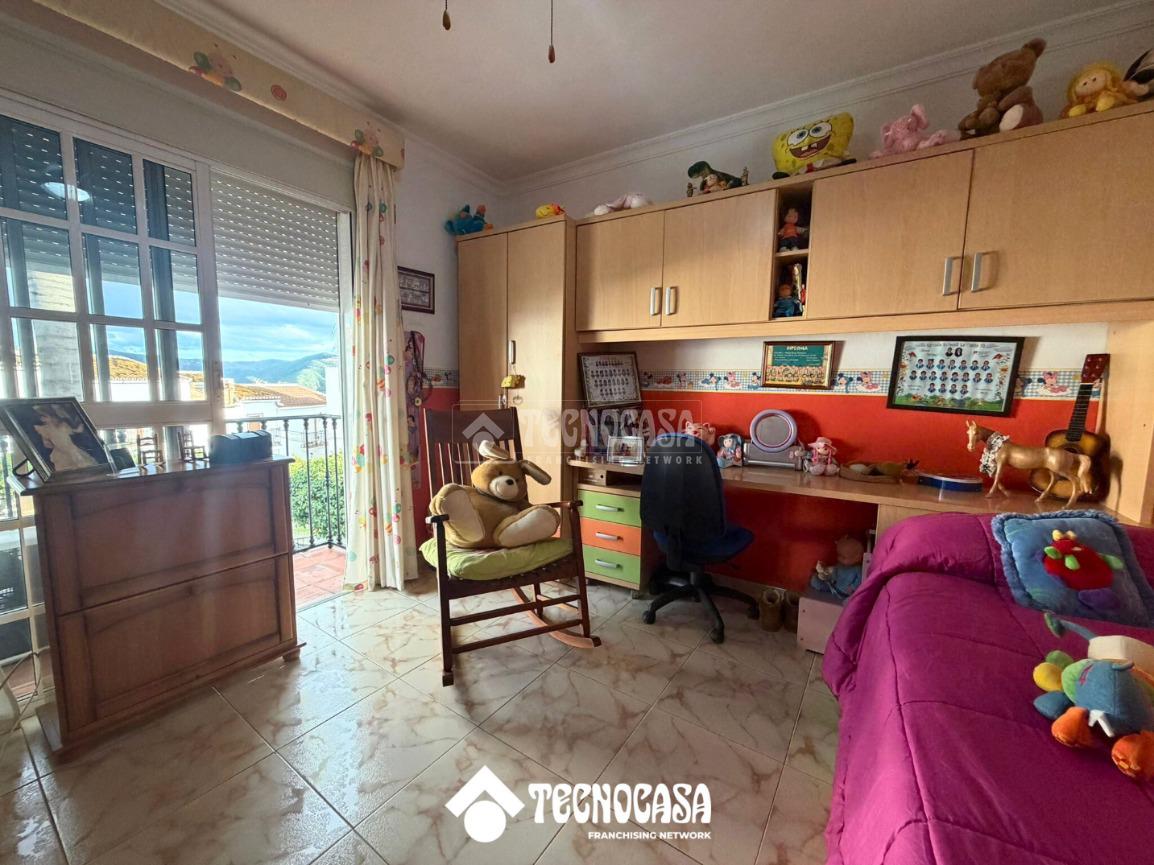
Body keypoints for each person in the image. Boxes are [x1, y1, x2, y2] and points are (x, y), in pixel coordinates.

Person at [32, 405, 98, 472]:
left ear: (52, 416)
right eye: (41, 417)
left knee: (82, 463)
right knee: (66, 468)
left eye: (44, 416)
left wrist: (79, 429)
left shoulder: (63, 425)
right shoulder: (45, 429)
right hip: (61, 453)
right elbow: (47, 444)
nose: (42, 419)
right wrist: (48, 441)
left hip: (71, 449)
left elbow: (74, 430)